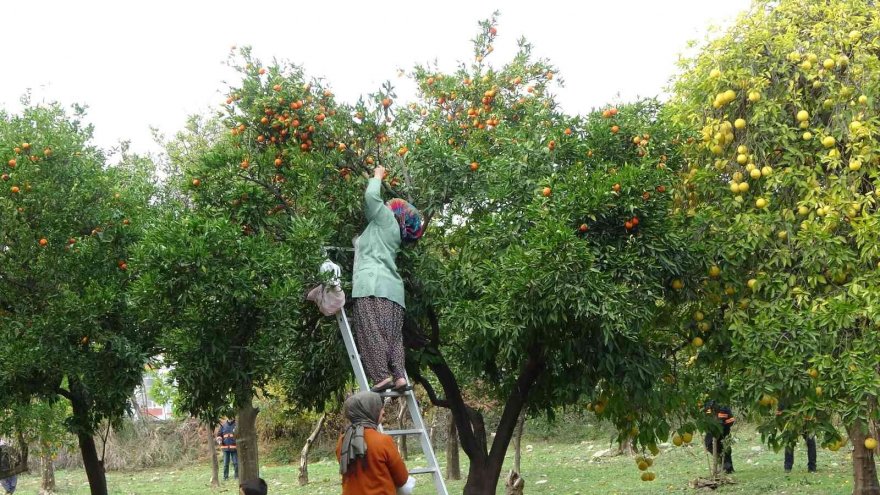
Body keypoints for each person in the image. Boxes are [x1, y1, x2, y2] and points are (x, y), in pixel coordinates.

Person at [351, 165, 425, 393]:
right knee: (393, 338)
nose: (386, 205)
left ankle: (382, 377)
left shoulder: (385, 219)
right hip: (393, 291)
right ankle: (400, 377)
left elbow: (371, 196)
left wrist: (377, 176)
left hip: (371, 286)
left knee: (371, 331)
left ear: (395, 211)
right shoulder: (394, 233)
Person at [337, 391, 414, 495]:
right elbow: (402, 479)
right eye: (379, 407)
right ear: (368, 411)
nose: (383, 412)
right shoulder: (383, 441)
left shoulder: (343, 441)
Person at [777, 405, 817, 473]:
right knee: (789, 441)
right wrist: (780, 410)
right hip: (792, 419)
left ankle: (812, 467)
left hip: (806, 419)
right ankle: (788, 467)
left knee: (810, 441)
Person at [703, 400, 735, 474]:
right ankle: (723, 465)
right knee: (711, 445)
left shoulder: (723, 405)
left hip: (722, 429)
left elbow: (731, 420)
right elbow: (706, 415)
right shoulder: (709, 403)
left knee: (724, 447)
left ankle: (727, 468)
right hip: (713, 429)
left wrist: (723, 426)